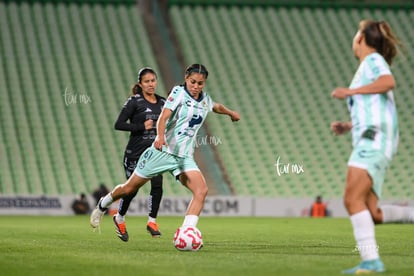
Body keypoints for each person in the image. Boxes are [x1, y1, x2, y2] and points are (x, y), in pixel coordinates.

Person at [90, 64, 240, 241]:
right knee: (130, 188)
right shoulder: (178, 93)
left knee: (201, 191)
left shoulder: (205, 99)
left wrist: (231, 113)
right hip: (163, 151)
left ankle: (186, 233)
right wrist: (160, 137)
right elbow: (163, 116)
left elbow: (216, 106)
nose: (196, 86)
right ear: (186, 78)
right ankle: (103, 204)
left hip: (184, 158)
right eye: (193, 82)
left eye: (200, 83)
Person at [331, 19, 414, 274]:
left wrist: (351, 92)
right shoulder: (367, 66)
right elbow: (375, 108)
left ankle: (371, 261)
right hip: (376, 138)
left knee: (351, 199)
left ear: (361, 39)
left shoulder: (373, 60)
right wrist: (349, 125)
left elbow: (388, 82)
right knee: (372, 212)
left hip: (374, 140)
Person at [113, 67, 166, 241]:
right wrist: (141, 127)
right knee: (131, 190)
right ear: (140, 84)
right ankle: (119, 217)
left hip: (154, 153)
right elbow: (119, 124)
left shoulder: (163, 102)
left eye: (153, 80)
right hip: (135, 153)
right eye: (147, 81)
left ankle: (152, 221)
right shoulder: (134, 102)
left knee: (157, 185)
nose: (151, 84)